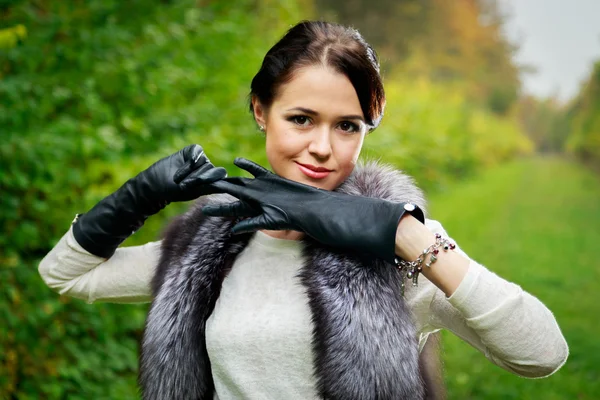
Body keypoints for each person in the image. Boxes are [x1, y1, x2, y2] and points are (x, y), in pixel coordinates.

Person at [39, 20, 568, 400]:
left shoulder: (402, 250)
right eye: (300, 119)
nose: (322, 147)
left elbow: (542, 354)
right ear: (260, 111)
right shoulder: (213, 243)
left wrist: (404, 235)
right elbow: (64, 274)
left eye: (347, 126)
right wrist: (137, 196)